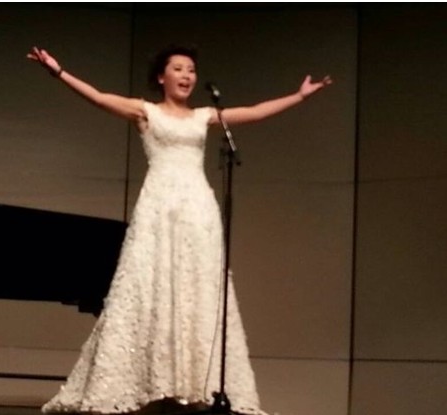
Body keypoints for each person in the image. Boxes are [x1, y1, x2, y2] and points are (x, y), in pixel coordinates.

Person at [27, 44, 332, 415]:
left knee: (195, 291)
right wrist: (59, 72)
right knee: (152, 287)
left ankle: (193, 385)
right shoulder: (146, 112)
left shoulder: (204, 116)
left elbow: (252, 112)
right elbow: (99, 97)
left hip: (198, 211)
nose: (187, 75)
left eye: (191, 70)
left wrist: (299, 97)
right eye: (178, 69)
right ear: (162, 76)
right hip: (159, 209)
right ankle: (153, 383)